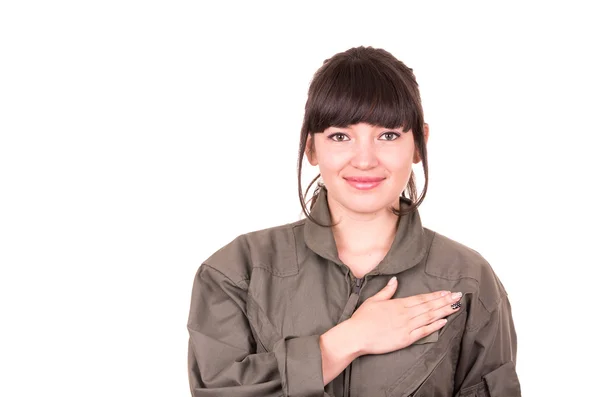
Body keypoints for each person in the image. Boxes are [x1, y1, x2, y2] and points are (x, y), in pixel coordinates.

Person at [186, 46, 521, 397]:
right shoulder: (236, 271)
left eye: (388, 135)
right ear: (311, 147)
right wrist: (346, 341)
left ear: (419, 143)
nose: (364, 160)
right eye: (340, 136)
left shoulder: (467, 278)